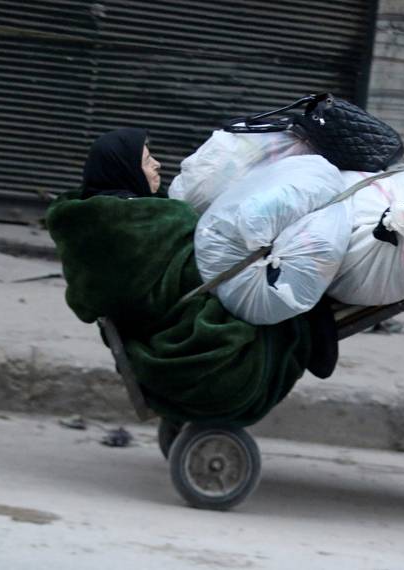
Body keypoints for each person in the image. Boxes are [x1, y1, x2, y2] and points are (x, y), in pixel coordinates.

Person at [45, 128, 335, 426]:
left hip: (157, 361)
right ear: (124, 170)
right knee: (280, 292)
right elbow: (210, 273)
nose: (157, 164)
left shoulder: (86, 231)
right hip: (208, 364)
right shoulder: (151, 224)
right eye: (146, 160)